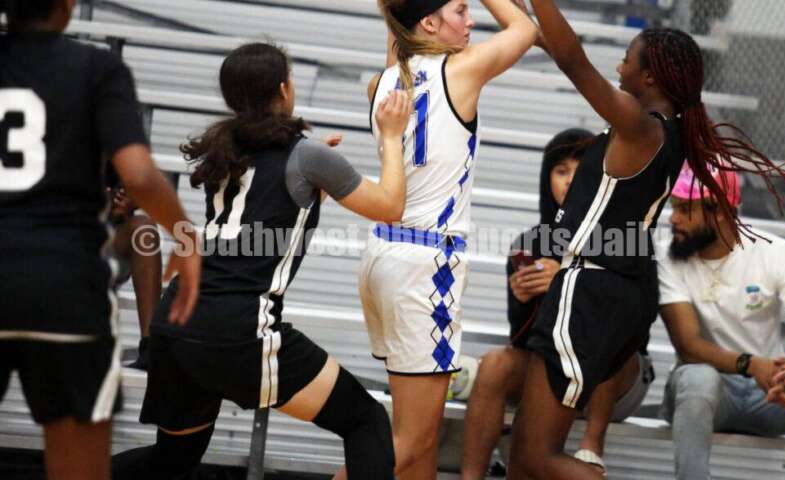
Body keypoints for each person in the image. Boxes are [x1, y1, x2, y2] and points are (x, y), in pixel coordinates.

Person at [509, 1, 785, 479]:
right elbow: (541, 38)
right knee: (522, 462)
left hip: (590, 291)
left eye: (627, 58)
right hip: (611, 292)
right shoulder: (664, 132)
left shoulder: (641, 127)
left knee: (535, 459)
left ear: (651, 77)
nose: (618, 66)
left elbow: (571, 57)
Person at [112, 42, 413, 480]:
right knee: (364, 420)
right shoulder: (306, 155)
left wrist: (317, 175)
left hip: (176, 321)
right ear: (284, 89)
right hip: (237, 328)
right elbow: (390, 207)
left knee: (172, 459)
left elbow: (271, 198)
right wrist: (390, 136)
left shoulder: (225, 147)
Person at [0, 1, 201, 479]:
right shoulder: (96, 68)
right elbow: (139, 174)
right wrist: (187, 237)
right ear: (68, 4)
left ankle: (152, 345)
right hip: (64, 284)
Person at [359, 1, 546, 478]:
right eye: (461, 9)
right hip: (425, 265)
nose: (471, 20)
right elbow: (525, 25)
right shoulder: (461, 70)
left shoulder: (383, 82)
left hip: (383, 254)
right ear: (428, 22)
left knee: (413, 442)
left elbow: (397, 28)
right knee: (414, 441)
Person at [460, 128, 654, 479]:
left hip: (618, 375)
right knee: (494, 364)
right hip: (553, 370)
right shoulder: (531, 243)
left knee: (598, 346)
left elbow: (637, 326)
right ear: (546, 178)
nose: (569, 180)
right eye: (560, 170)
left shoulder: (625, 235)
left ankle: (592, 448)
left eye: (580, 169)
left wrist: (570, 283)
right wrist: (524, 302)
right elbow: (523, 341)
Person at [658, 164, 785, 480]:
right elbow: (688, 345)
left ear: (720, 211)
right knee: (697, 379)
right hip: (708, 391)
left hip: (770, 394)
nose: (673, 219)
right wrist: (753, 365)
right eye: (673, 207)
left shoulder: (776, 253)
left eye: (685, 209)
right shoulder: (669, 257)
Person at [108, 185, 162, 370]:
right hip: (66, 239)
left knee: (144, 228)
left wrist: (129, 203)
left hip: (105, 239)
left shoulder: (121, 159)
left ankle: (150, 347)